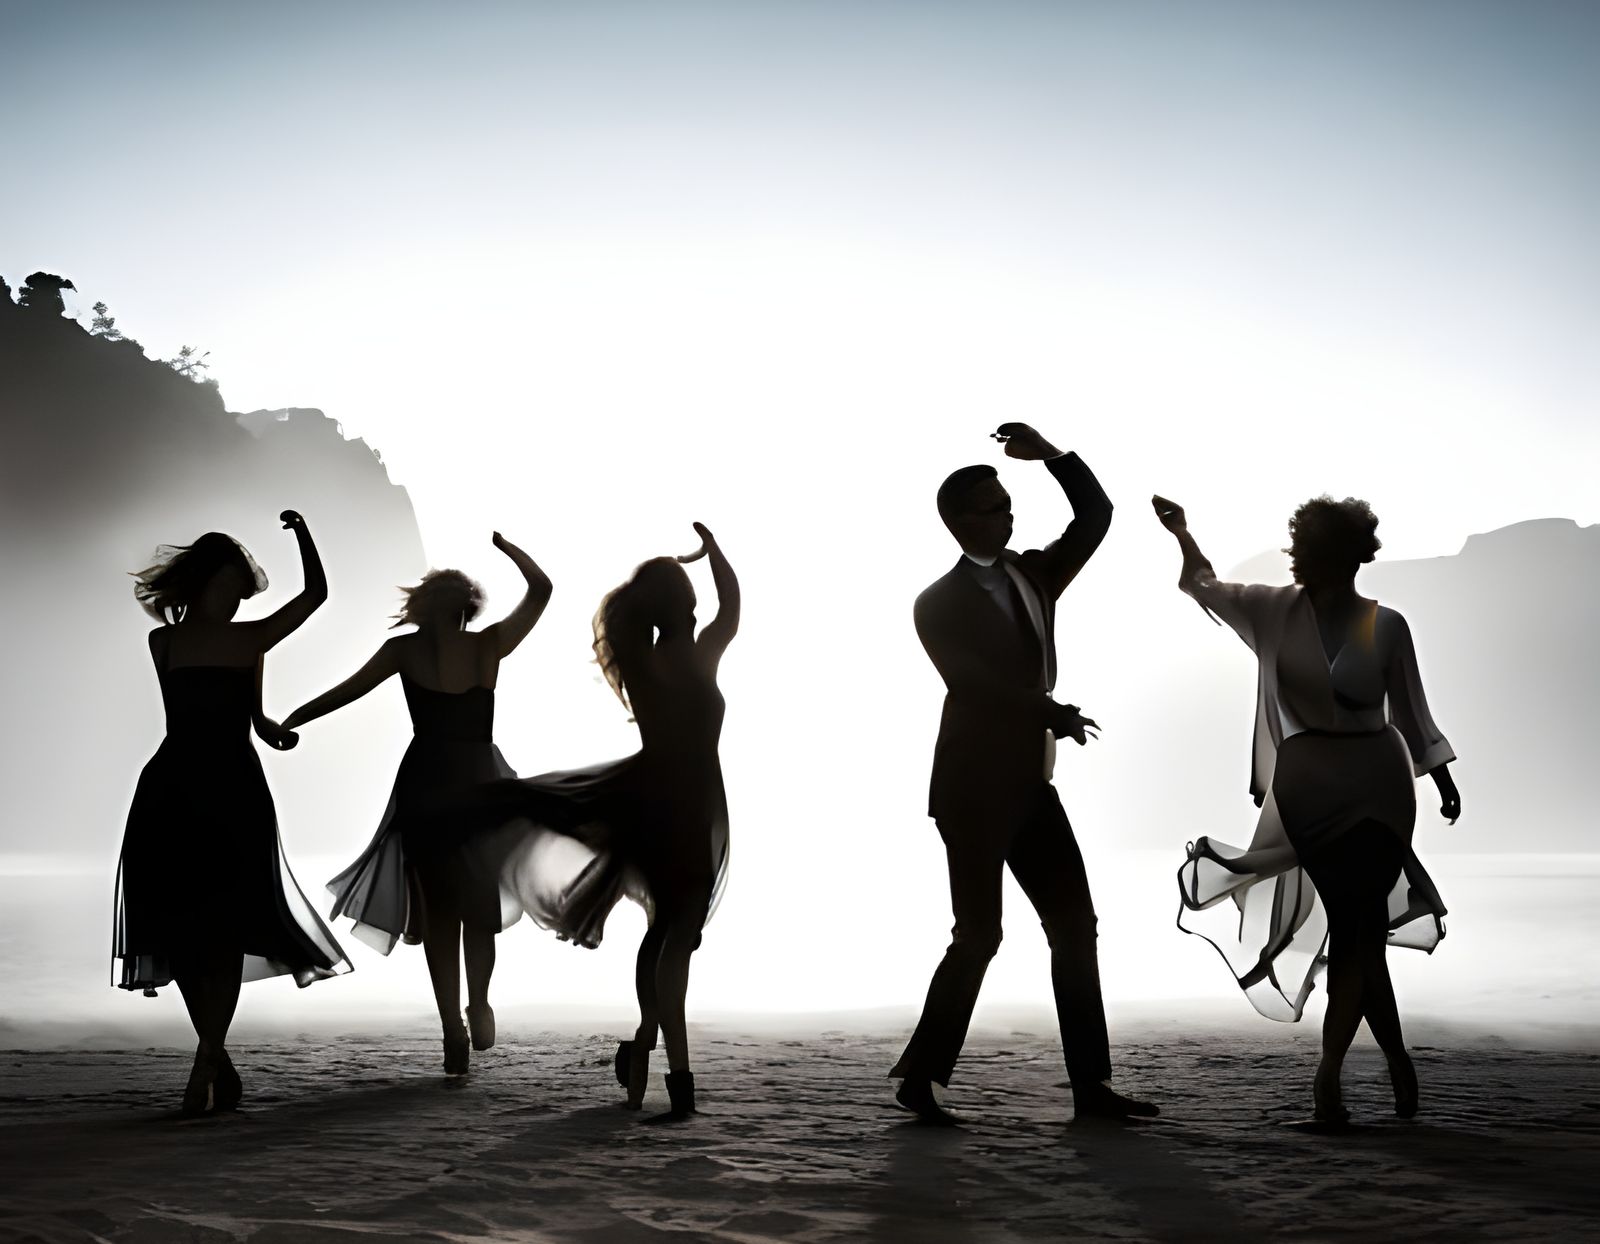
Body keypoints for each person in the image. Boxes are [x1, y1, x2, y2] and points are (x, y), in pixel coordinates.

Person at [1154, 493, 1459, 1123]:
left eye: (1310, 550)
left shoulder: (1386, 624)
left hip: (1380, 782)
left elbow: (1411, 711)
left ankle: (1331, 1081)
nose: (1297, 559)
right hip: (1308, 787)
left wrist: (1443, 779)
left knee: (1359, 930)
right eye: (1297, 547)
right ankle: (1394, 1062)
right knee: (1359, 933)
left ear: (1348, 556)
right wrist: (1182, 532)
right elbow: (1202, 586)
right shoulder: (1271, 610)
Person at [890, 424, 1157, 1124]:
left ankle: (1092, 1089)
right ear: (956, 521)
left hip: (1032, 786)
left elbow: (1095, 517)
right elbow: (972, 684)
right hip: (972, 788)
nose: (1008, 515)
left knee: (1075, 925)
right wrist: (1051, 711)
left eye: (1009, 503)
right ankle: (921, 1077)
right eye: (992, 506)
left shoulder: (1035, 574)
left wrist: (1053, 457)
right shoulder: (936, 602)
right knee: (979, 935)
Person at [458, 522, 737, 1120]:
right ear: (677, 605)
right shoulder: (664, 658)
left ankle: (641, 1048)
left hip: (687, 800)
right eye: (685, 595)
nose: (694, 605)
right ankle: (677, 1073)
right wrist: (714, 555)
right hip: (669, 801)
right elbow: (733, 606)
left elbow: (732, 609)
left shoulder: (668, 655)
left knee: (671, 932)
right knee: (676, 935)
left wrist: (712, 555)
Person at [282, 533, 551, 1075]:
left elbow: (347, 691)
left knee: (446, 912)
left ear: (426, 607)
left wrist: (292, 720)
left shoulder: (410, 648)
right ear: (466, 608)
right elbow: (541, 589)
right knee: (474, 910)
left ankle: (457, 1019)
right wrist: (510, 550)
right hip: (474, 780)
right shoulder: (486, 646)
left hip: (432, 780)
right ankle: (471, 1008)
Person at [114, 513, 351, 1116]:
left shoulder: (252, 639)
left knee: (221, 930)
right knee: (184, 931)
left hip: (235, 789)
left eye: (239, 585)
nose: (236, 593)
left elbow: (315, 598)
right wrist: (261, 725)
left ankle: (204, 1065)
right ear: (202, 581)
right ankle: (213, 1056)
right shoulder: (162, 642)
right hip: (171, 787)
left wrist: (302, 533)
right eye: (227, 582)